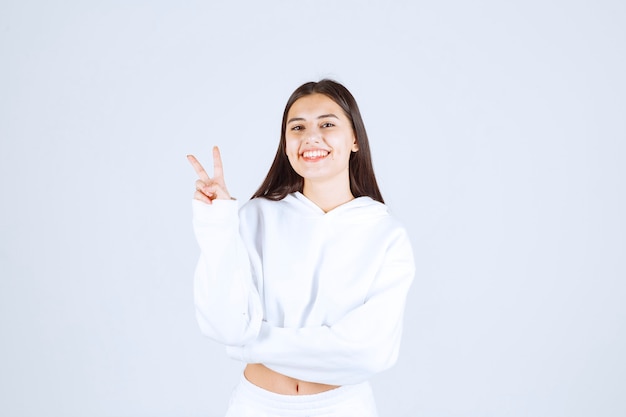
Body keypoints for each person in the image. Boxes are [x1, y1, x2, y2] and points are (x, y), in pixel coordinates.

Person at [187, 79, 415, 417]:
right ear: (286, 143)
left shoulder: (385, 234)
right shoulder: (255, 217)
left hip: (342, 408)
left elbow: (369, 352)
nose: (311, 137)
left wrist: (251, 341)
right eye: (297, 127)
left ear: (354, 139)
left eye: (327, 124)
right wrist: (219, 224)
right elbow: (224, 324)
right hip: (257, 406)